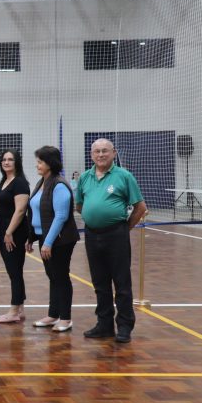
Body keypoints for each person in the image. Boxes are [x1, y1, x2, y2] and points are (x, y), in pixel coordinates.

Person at [77, 138, 147, 343]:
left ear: (114, 153)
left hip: (116, 235)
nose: (101, 155)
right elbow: (80, 205)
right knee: (100, 283)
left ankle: (124, 326)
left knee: (121, 282)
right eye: (97, 151)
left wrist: (124, 228)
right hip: (92, 235)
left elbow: (140, 207)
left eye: (105, 151)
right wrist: (94, 216)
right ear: (91, 155)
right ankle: (104, 325)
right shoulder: (85, 177)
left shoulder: (124, 176)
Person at [27, 146, 79, 332]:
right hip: (45, 237)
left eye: (40, 162)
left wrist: (48, 242)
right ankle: (53, 314)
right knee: (53, 276)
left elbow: (60, 216)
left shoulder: (59, 185)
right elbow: (37, 212)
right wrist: (31, 238)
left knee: (61, 277)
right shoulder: (42, 182)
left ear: (50, 163)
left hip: (60, 241)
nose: (37, 165)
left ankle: (65, 318)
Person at [0, 149, 30, 323]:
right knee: (13, 270)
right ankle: (20, 307)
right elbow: (1, 209)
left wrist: (9, 232)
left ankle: (14, 310)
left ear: (17, 162)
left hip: (15, 231)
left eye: (10, 159)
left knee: (14, 270)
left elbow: (20, 210)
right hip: (2, 228)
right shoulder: (4, 180)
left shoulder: (20, 183)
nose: (6, 162)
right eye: (4, 159)